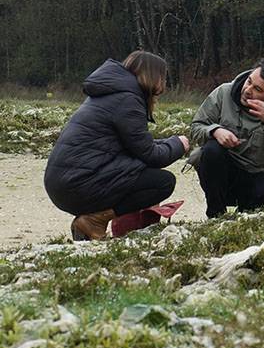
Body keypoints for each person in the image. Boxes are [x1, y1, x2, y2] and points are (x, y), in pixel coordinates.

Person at [44, 51, 189, 241]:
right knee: (162, 182)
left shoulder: (110, 94)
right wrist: (179, 144)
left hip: (63, 183)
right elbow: (151, 155)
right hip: (78, 185)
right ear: (154, 76)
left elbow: (138, 147)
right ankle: (94, 220)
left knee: (140, 169)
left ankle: (91, 222)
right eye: (163, 77)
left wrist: (168, 142)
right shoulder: (128, 100)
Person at [188, 59, 264, 218]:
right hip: (221, 171)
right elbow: (195, 127)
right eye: (249, 81)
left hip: (256, 173)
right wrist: (215, 131)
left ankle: (242, 216)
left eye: (257, 89)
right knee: (212, 150)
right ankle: (216, 215)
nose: (247, 90)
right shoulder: (223, 93)